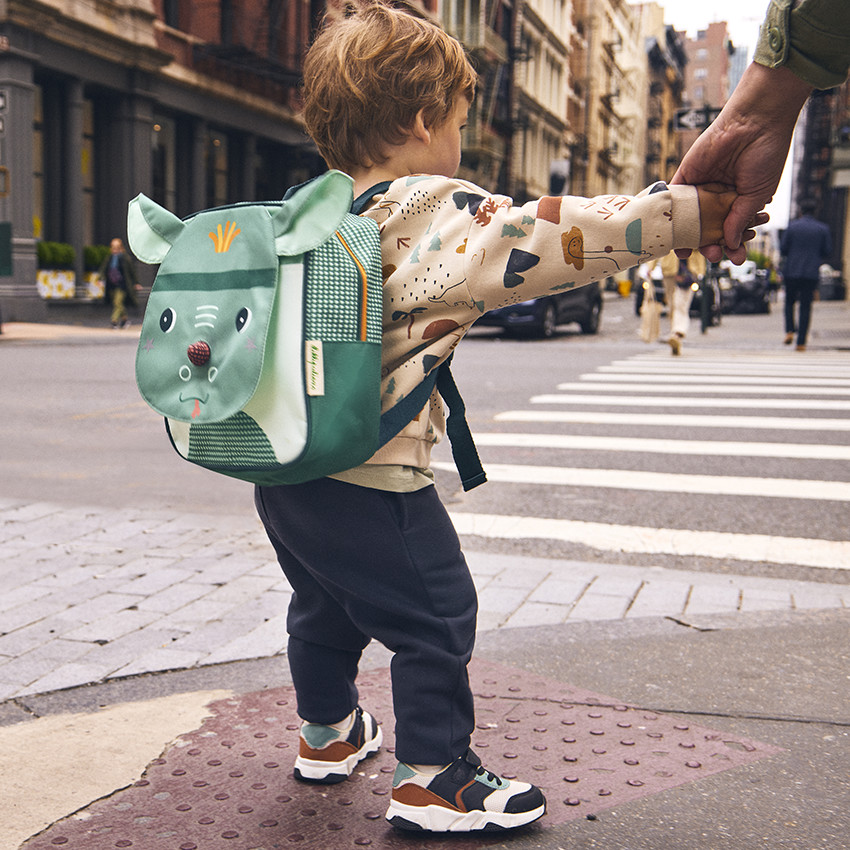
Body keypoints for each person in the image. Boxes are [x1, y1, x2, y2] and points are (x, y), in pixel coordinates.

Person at [253, 1, 750, 834]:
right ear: (421, 120)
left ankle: (328, 734)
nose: (459, 141)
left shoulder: (306, 213)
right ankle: (435, 777)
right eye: (454, 122)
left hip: (285, 472)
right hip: (373, 476)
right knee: (437, 613)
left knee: (325, 604)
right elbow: (549, 237)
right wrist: (683, 214)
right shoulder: (427, 211)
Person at [673, 0, 850, 262]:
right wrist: (754, 116)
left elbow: (789, 249)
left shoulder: (794, 229)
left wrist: (755, 114)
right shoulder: (822, 229)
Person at [781, 198, 832, 350]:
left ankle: (789, 330)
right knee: (805, 306)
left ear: (801, 211)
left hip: (792, 270)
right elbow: (827, 251)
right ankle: (801, 342)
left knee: (789, 302)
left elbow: (783, 249)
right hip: (810, 272)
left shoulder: (792, 227)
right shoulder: (822, 228)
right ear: (815, 211)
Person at [99, 237, 141, 328]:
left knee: (117, 302)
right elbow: (104, 268)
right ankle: (125, 319)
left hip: (122, 284)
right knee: (118, 303)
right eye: (113, 247)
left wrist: (136, 283)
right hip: (111, 284)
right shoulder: (110, 258)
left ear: (121, 248)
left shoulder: (125, 258)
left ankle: (114, 320)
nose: (114, 250)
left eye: (117, 248)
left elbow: (132, 271)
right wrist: (100, 278)